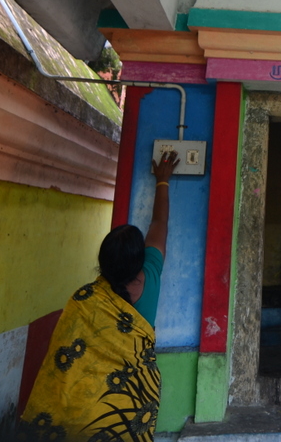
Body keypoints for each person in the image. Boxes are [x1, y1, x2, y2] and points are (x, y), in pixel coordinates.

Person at [18, 151, 179, 442]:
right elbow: (159, 223)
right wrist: (162, 181)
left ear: (103, 263)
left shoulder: (85, 299)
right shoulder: (151, 274)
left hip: (78, 412)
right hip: (125, 406)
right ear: (140, 260)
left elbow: (62, 366)